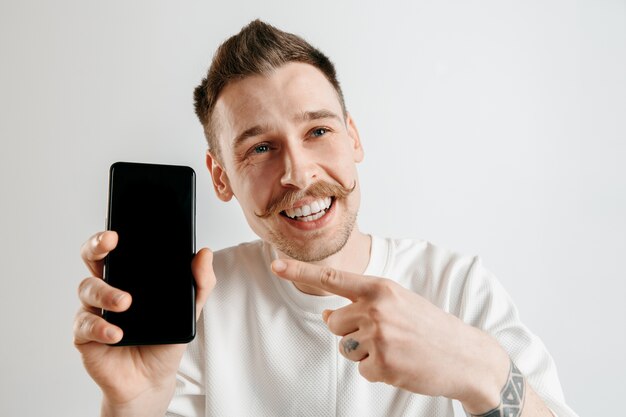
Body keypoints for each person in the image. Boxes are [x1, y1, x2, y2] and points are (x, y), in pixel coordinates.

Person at [74, 20, 578, 417]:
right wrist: (129, 407)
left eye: (317, 131)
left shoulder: (457, 286)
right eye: (261, 147)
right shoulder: (198, 307)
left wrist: (482, 370)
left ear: (353, 137)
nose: (298, 172)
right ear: (221, 176)